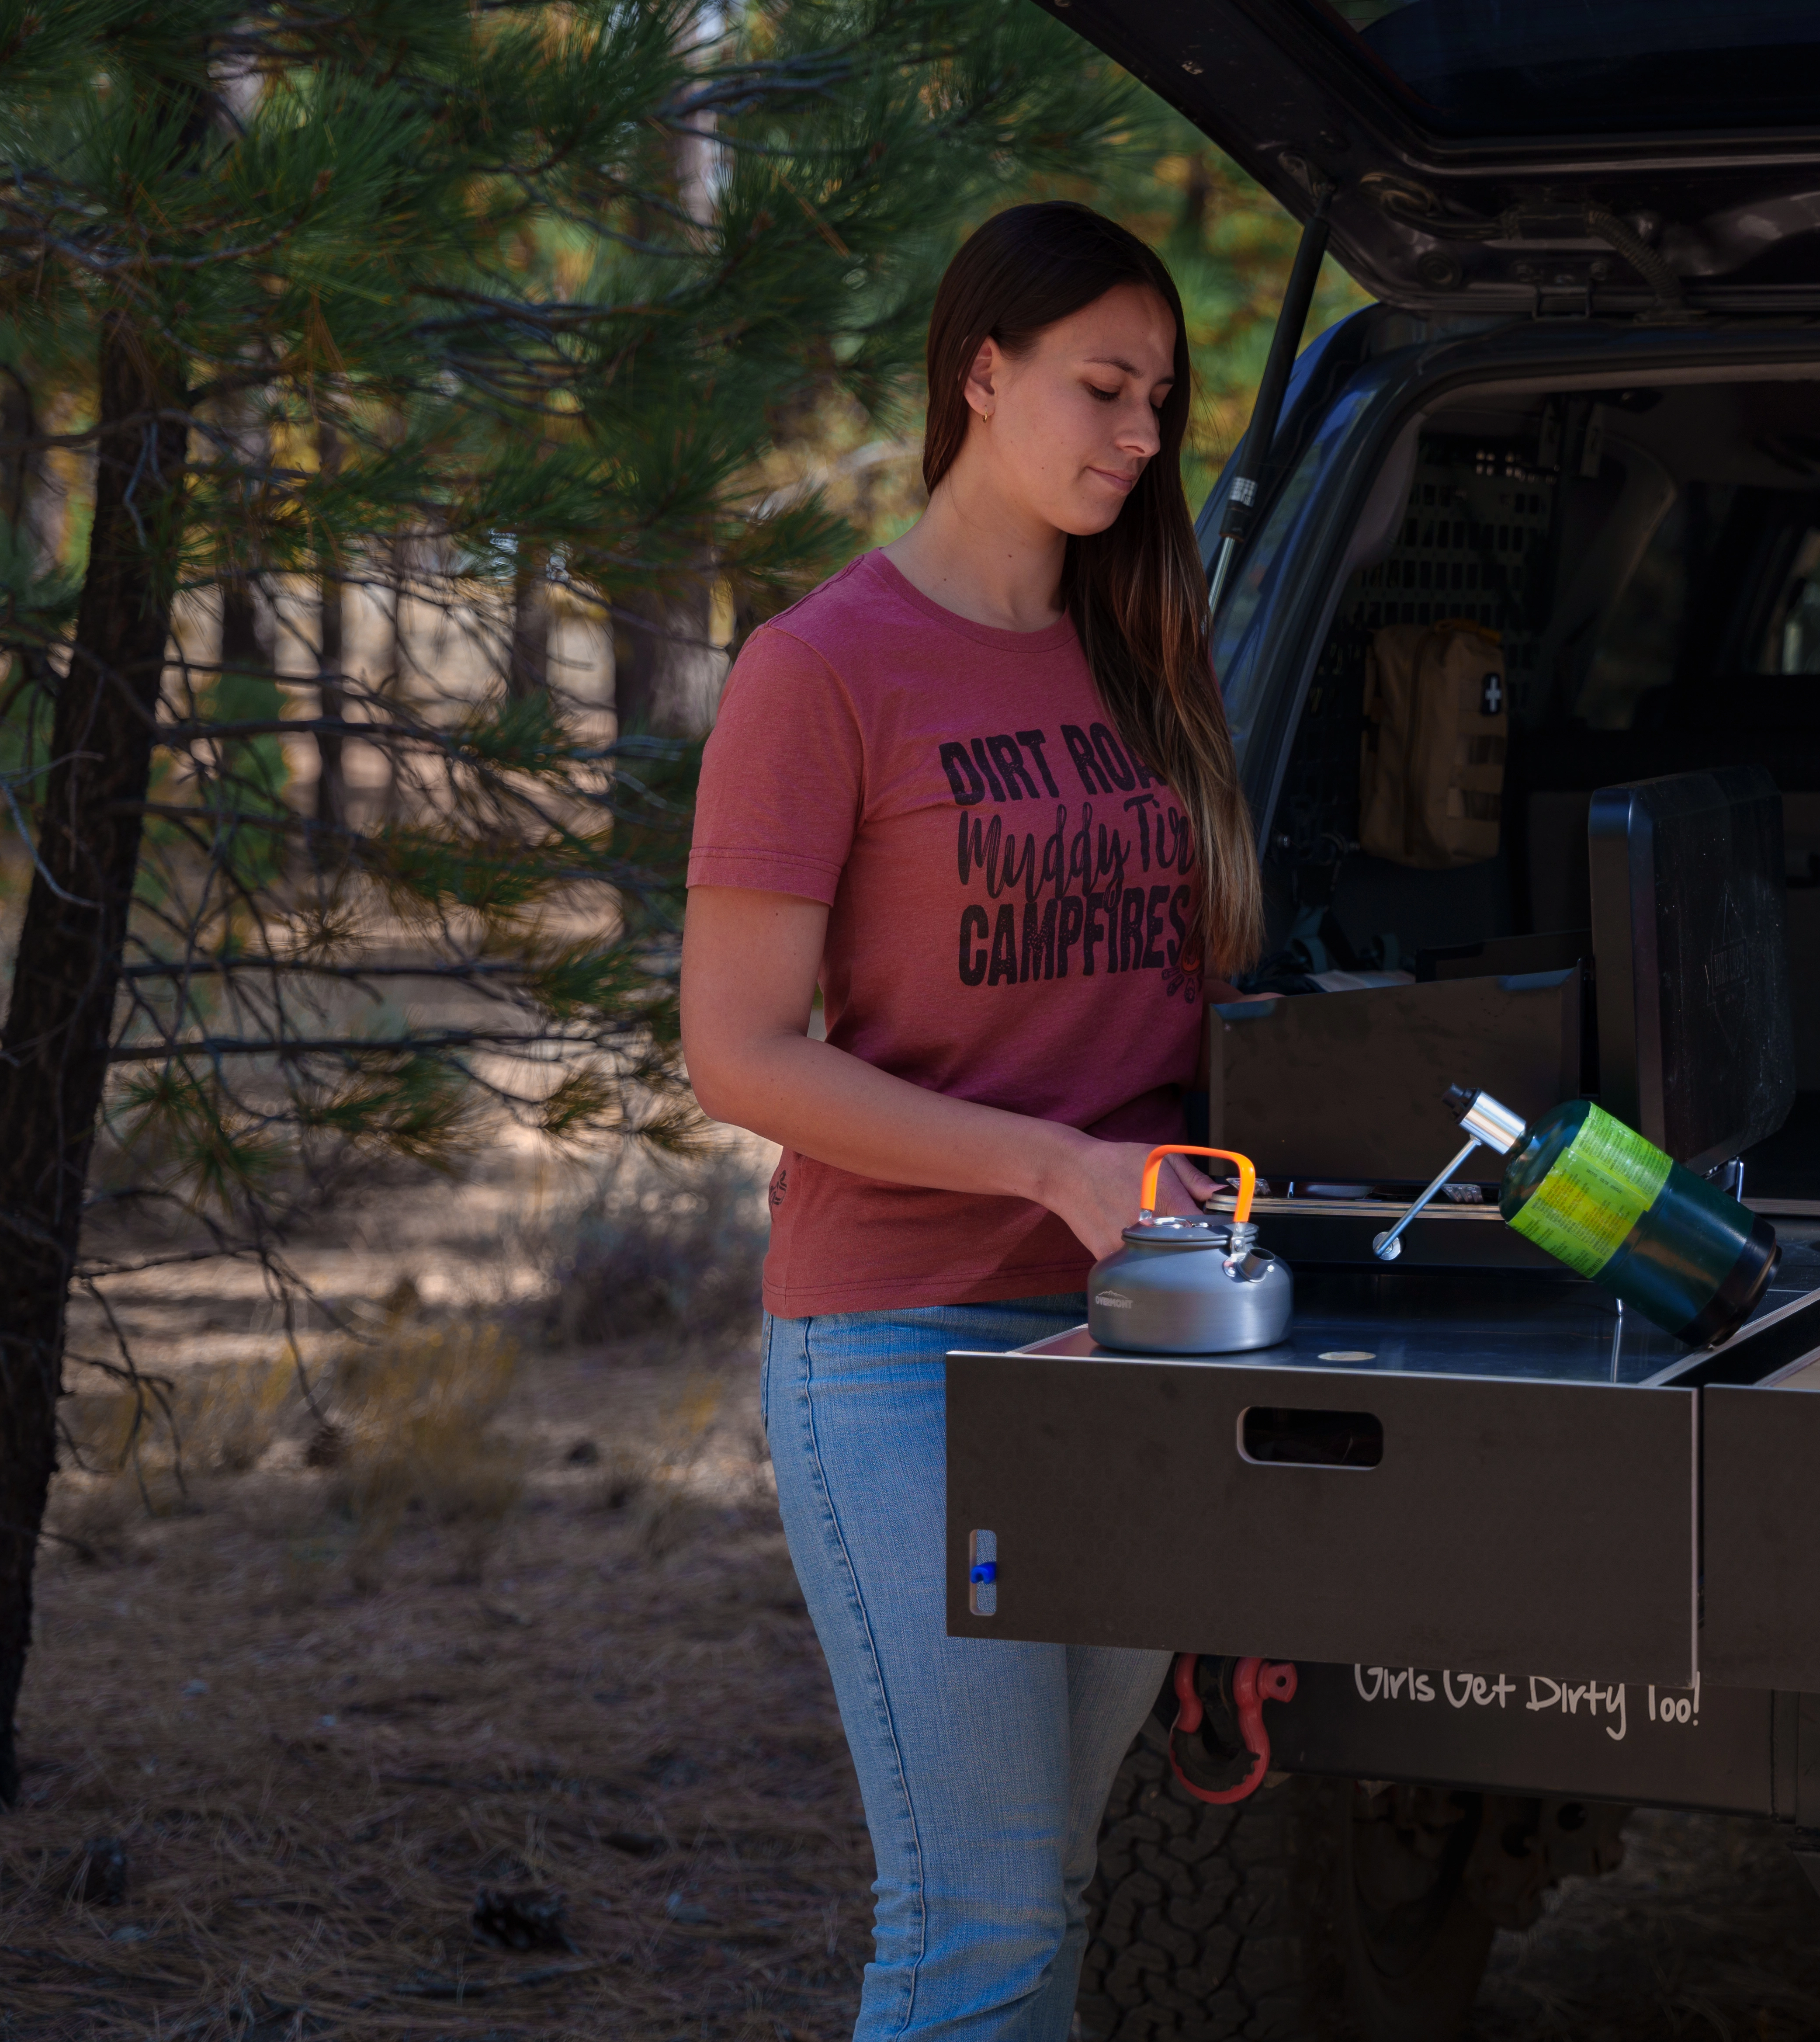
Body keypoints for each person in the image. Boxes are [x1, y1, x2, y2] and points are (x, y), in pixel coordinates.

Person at [677, 201, 1262, 2038]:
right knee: (978, 1919)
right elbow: (741, 1053)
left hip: (1134, 1341)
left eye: (1161, 401)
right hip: (907, 1352)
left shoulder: (1147, 654)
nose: (1139, 437)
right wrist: (1054, 1168)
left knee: (1051, 1889)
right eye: (1102, 388)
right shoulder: (824, 670)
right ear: (979, 373)